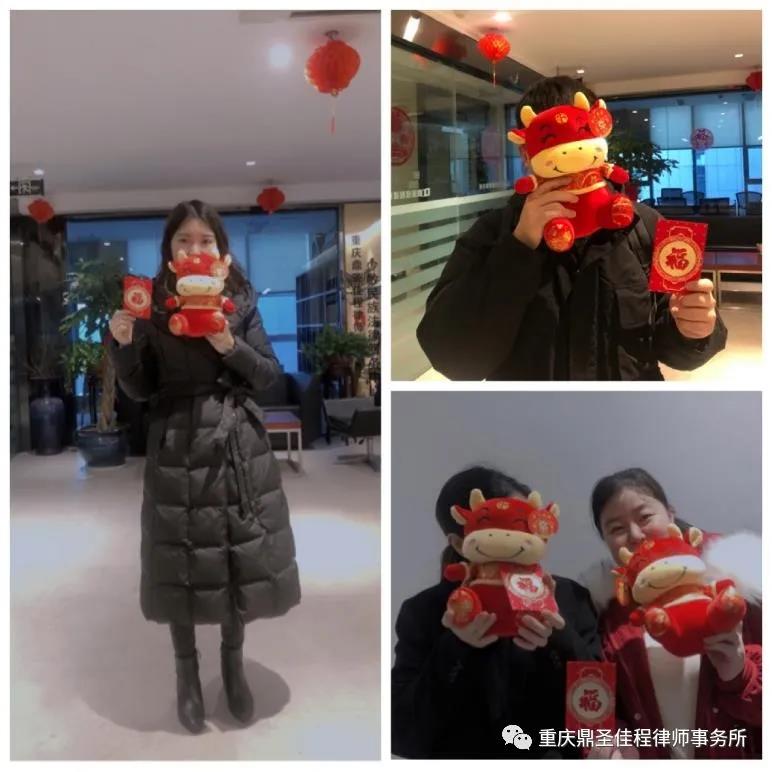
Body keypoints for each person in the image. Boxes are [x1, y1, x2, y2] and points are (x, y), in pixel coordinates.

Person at [107, 200, 301, 734]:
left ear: (221, 249)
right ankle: (187, 675)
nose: (195, 248)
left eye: (205, 240)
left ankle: (232, 666)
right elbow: (140, 389)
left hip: (236, 443)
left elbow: (269, 375)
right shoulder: (151, 304)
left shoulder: (240, 298)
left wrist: (229, 344)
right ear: (169, 251)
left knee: (237, 556)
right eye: (183, 240)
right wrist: (123, 347)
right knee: (181, 561)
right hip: (176, 442)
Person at [416, 76, 727, 380]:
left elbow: (673, 344)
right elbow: (453, 358)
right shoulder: (493, 232)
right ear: (526, 154)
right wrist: (518, 247)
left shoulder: (645, 225)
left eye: (579, 137)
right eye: (551, 142)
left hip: (628, 411)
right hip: (526, 413)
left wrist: (694, 331)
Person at [392, 466, 601, 759]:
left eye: (526, 524)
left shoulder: (570, 597)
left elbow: (599, 711)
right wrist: (455, 647)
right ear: (459, 543)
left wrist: (559, 638)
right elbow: (401, 733)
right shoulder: (424, 611)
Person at [579, 468, 761, 759]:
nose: (635, 535)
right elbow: (597, 709)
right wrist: (610, 742)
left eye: (645, 517)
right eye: (616, 529)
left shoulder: (733, 593)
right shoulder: (607, 619)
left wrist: (741, 674)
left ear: (671, 515)